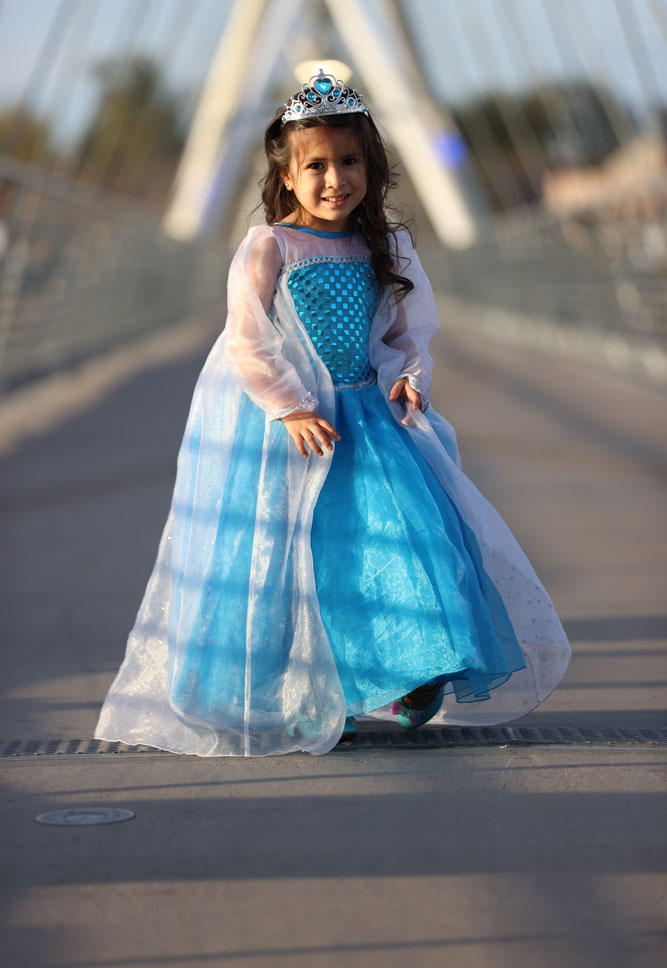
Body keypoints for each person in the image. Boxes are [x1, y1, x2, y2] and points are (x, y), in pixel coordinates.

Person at [95, 69, 571, 757]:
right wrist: (288, 407)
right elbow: (246, 338)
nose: (333, 179)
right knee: (307, 562)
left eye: (348, 161)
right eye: (315, 165)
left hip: (370, 422)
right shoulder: (270, 248)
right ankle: (318, 694)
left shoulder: (387, 248)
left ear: (370, 169)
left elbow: (407, 333)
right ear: (287, 177)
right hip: (299, 432)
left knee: (407, 543)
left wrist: (408, 377)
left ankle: (412, 673)